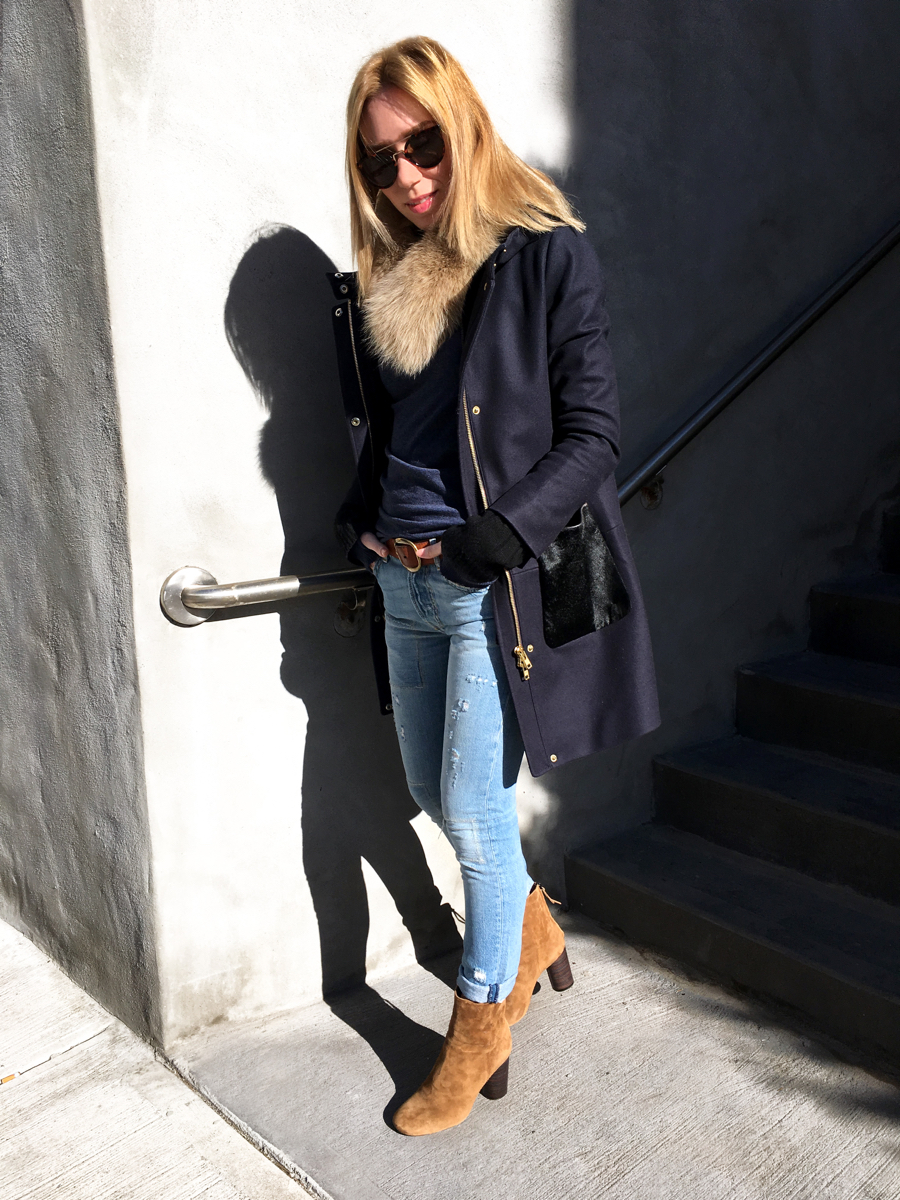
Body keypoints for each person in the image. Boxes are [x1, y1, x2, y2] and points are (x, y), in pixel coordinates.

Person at [329, 36, 659, 1136]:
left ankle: (480, 1029)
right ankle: (533, 934)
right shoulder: (386, 277)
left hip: (484, 589)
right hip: (400, 584)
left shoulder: (542, 253)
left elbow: (595, 435)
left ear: (462, 124)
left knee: (471, 814)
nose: (407, 175)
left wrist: (489, 544)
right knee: (432, 793)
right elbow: (393, 434)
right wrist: (363, 520)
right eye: (381, 162)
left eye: (422, 144)